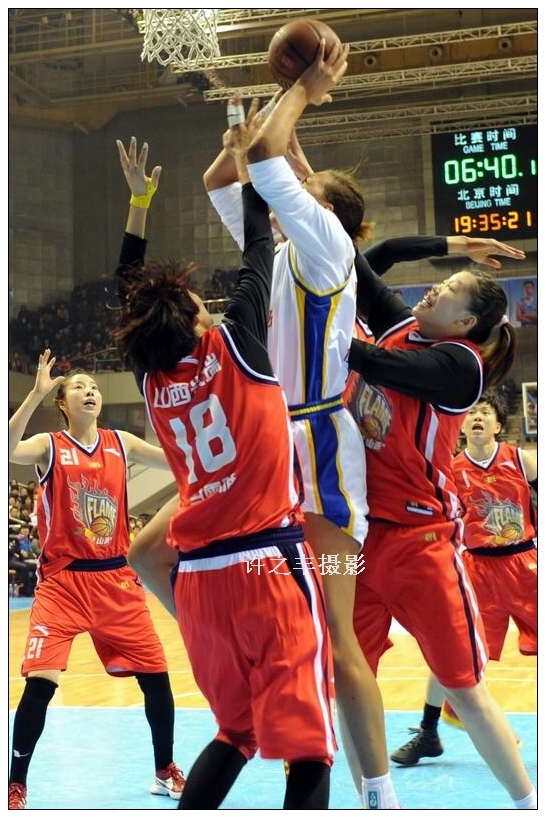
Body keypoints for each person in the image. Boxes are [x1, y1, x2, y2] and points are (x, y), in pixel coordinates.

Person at [113, 122, 335, 810]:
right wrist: (250, 166)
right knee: (309, 746)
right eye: (199, 304)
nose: (209, 305)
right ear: (198, 321)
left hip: (202, 584)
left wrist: (140, 206)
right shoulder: (236, 344)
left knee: (235, 733)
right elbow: (259, 248)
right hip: (268, 566)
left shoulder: (152, 379)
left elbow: (129, 296)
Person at [203, 47, 399, 809]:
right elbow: (226, 180)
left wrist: (302, 92)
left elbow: (269, 162)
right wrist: (238, 147)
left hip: (317, 448)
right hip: (267, 447)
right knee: (166, 556)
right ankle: (265, 721)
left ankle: (377, 793)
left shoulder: (326, 246)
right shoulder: (284, 249)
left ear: (325, 212)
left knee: (338, 638)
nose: (290, 178)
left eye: (303, 183)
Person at [346, 241, 537, 807]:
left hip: (420, 542)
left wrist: (312, 332)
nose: (434, 288)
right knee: (347, 681)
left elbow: (372, 363)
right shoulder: (400, 327)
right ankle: (375, 803)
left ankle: (527, 802)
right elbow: (365, 258)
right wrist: (451, 246)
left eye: (450, 289)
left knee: (465, 689)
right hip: (359, 538)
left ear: (466, 322)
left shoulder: (460, 366)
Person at [8, 352, 185, 810]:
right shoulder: (49, 445)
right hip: (63, 584)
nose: (90, 391)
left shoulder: (121, 442)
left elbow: (178, 462)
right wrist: (35, 394)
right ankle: (15, 783)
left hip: (115, 580)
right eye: (79, 386)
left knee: (157, 678)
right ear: (63, 402)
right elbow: (7, 450)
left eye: (94, 387)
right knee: (40, 683)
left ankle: (164, 769)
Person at [390, 389, 537, 765]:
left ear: (498, 425)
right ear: (461, 426)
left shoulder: (522, 460)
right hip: (476, 570)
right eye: (471, 412)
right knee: (451, 650)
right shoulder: (449, 470)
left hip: (525, 565)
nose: (477, 417)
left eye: (485, 412)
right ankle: (428, 732)